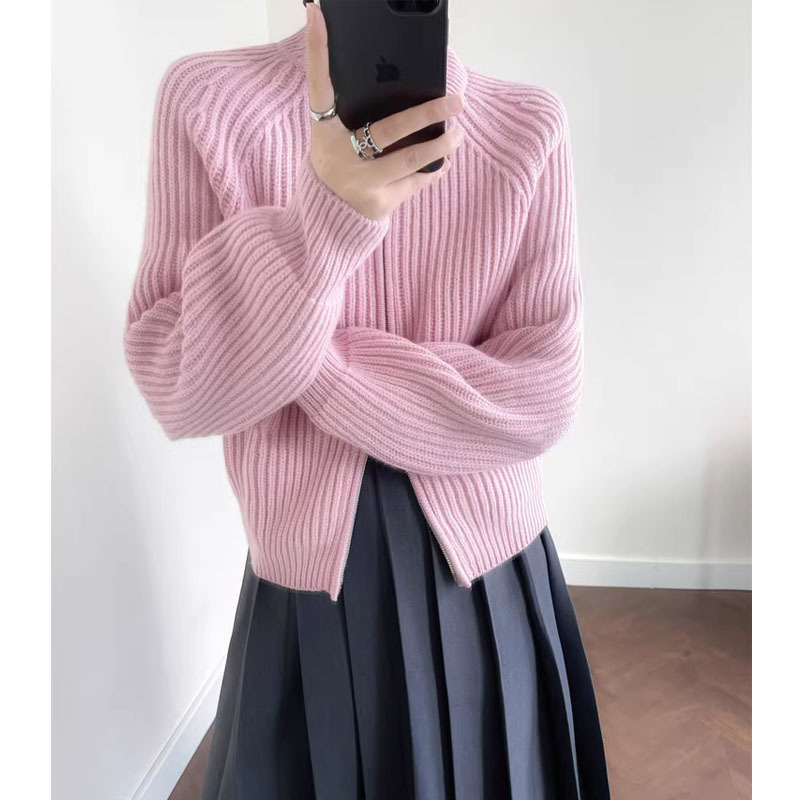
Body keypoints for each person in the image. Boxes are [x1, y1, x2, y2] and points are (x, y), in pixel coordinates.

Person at [123, 2, 611, 798]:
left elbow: (544, 394)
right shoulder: (209, 104)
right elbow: (180, 382)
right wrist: (324, 220)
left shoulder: (527, 126)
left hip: (492, 568)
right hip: (307, 580)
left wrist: (300, 354)